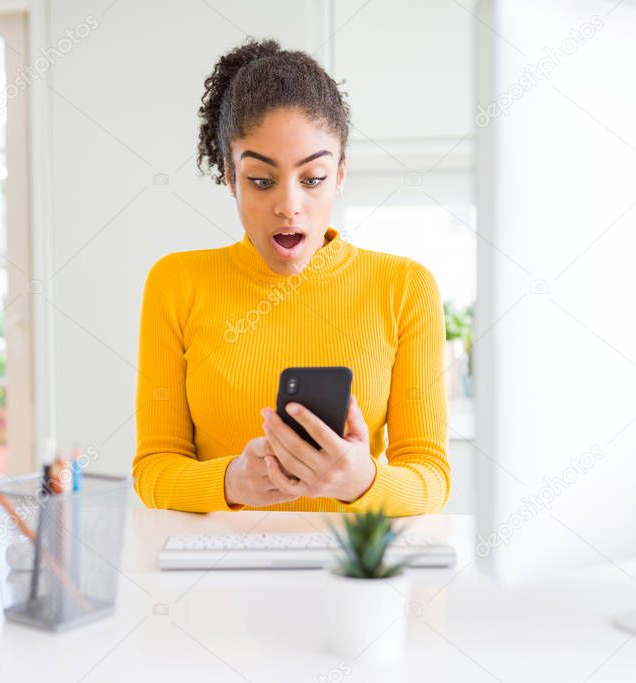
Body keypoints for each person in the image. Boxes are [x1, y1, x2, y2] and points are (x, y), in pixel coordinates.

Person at [132, 38, 449, 515]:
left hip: (350, 575)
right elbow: (153, 469)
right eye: (261, 180)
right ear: (230, 177)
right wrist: (231, 483)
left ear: (340, 175)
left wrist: (362, 481)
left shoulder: (405, 288)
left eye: (312, 178)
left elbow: (431, 479)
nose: (288, 205)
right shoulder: (176, 283)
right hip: (218, 574)